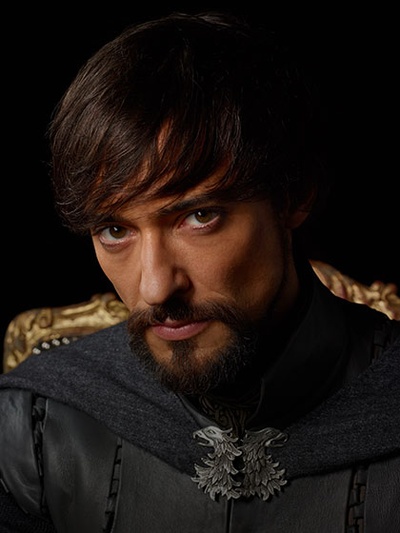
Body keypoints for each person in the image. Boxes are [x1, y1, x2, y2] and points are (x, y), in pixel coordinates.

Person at [0, 11, 399, 533]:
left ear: (292, 196)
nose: (155, 287)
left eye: (199, 217)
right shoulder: (32, 428)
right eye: (115, 230)